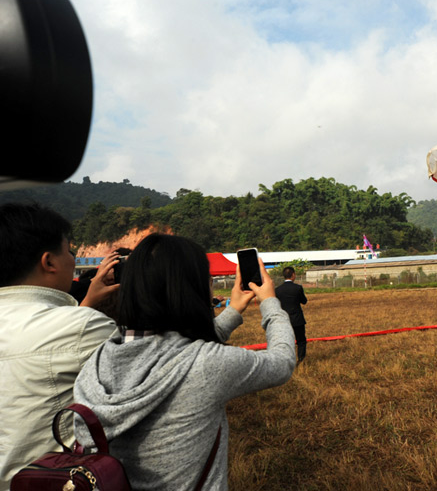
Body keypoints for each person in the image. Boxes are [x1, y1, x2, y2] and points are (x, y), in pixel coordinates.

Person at [73, 233, 296, 490]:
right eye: (207, 280)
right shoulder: (206, 365)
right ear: (191, 290)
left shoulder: (100, 358)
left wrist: (233, 312)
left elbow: (178, 351)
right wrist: (269, 302)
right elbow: (282, 361)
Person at [0, 203, 119, 490]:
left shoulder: (76, 324)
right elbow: (161, 366)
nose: (73, 259)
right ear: (49, 262)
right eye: (69, 251)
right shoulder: (84, 327)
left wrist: (86, 303)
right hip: (53, 481)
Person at [275, 266, 308, 361]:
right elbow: (304, 301)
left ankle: (287, 359)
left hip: (284, 320)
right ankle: (301, 359)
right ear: (293, 275)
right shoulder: (298, 288)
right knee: (301, 340)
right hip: (297, 319)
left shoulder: (277, 290)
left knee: (286, 341)